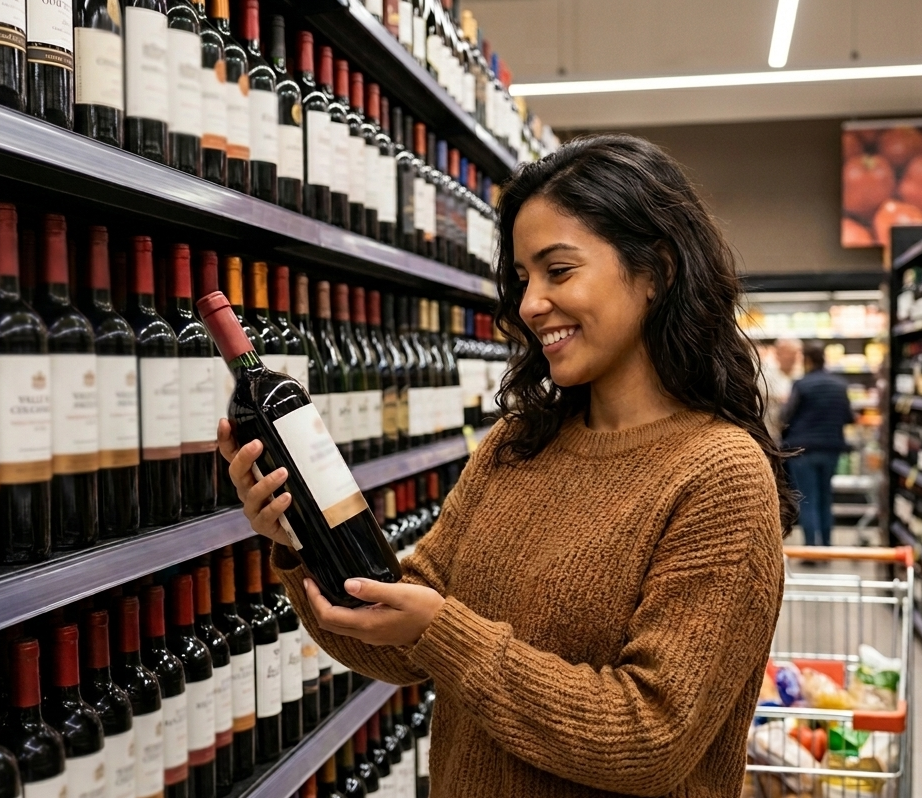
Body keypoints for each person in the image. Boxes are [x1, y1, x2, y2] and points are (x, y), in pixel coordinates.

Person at [218, 134, 792, 798]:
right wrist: (295, 539)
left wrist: (445, 633)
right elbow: (393, 641)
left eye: (558, 270)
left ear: (655, 271)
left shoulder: (718, 475)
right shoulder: (519, 445)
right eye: (521, 279)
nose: (528, 305)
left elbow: (649, 739)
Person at [781, 343, 855, 548]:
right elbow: (849, 416)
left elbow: (786, 415)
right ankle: (828, 546)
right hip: (831, 449)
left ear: (808, 360)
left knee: (807, 498)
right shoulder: (839, 385)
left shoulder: (802, 384)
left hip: (803, 449)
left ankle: (812, 546)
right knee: (825, 498)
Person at [760, 337, 802, 442]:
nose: (790, 357)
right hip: (769, 431)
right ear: (777, 354)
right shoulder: (765, 373)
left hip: (794, 433)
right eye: (787, 353)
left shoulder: (801, 374)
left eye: (794, 353)